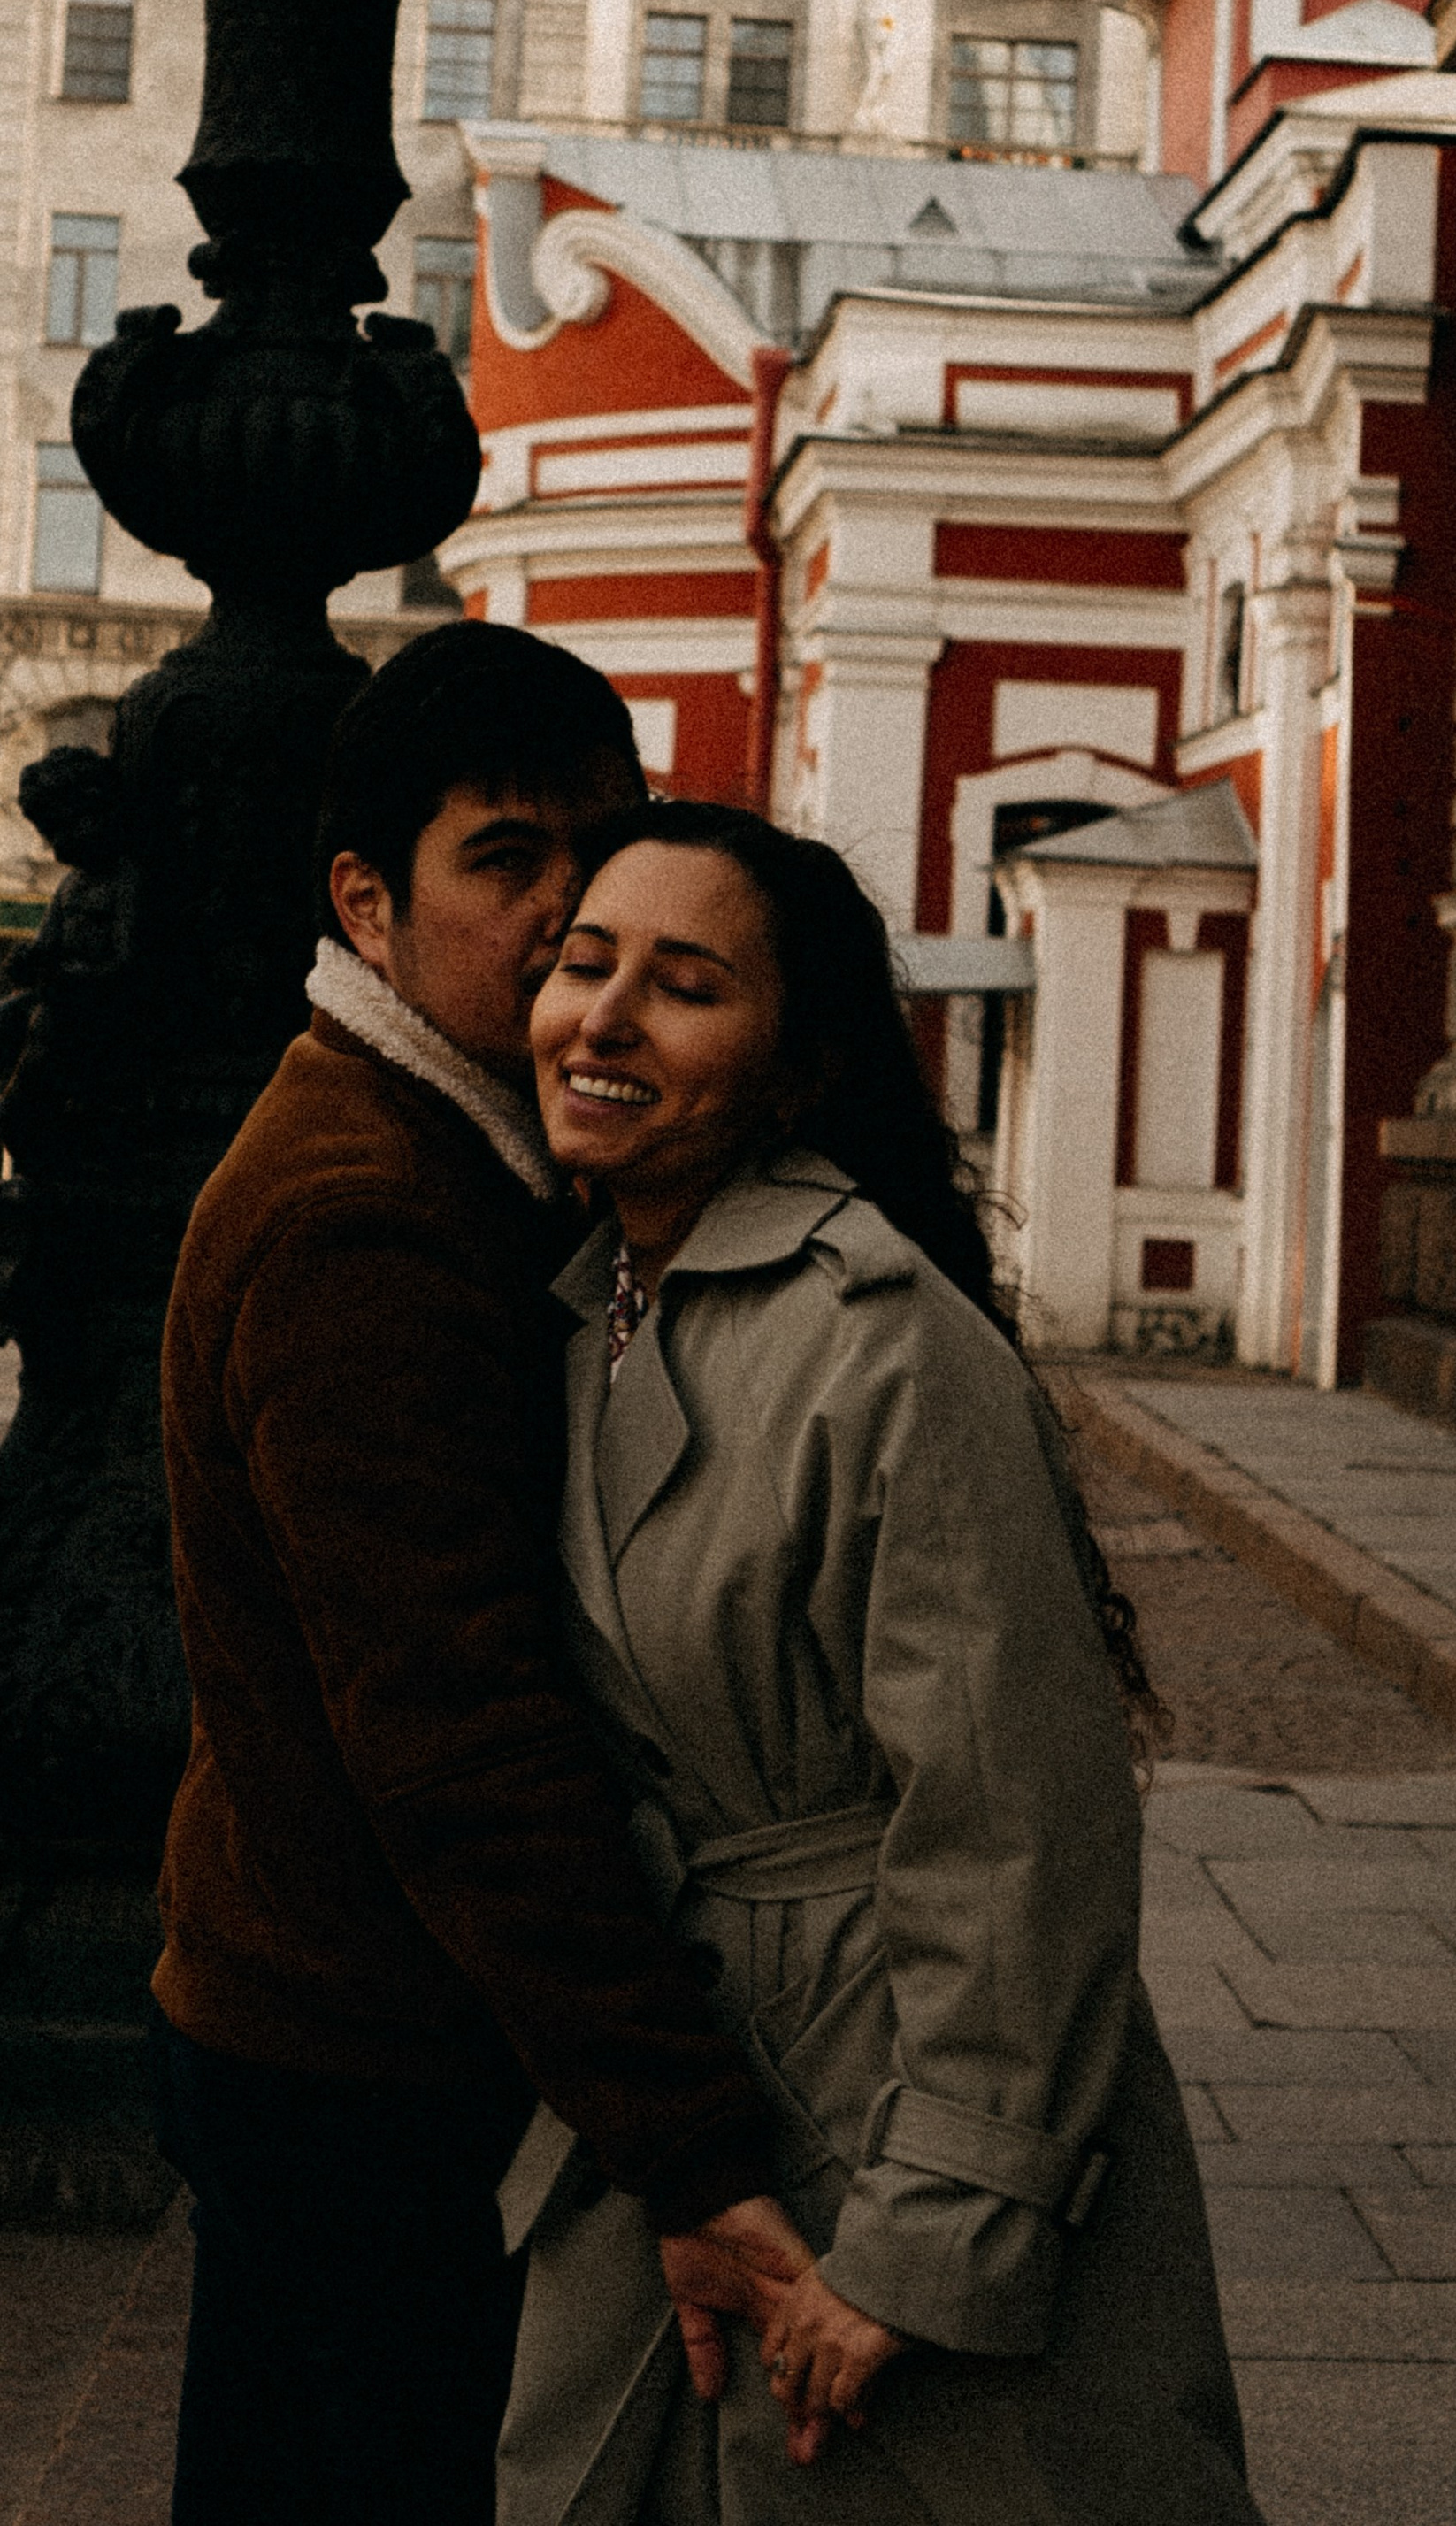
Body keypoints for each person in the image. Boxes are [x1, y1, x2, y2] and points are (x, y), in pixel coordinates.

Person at [501, 802, 1265, 2526]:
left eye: (682, 986)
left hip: (888, 2098)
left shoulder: (879, 1340)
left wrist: (934, 2233)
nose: (604, 1017)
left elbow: (1018, 1823)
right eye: (581, 963)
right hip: (679, 2111)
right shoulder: (580, 1308)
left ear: (789, 1065)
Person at [151, 633, 808, 2526]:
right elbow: (459, 1735)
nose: (558, 918)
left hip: (327, 2015)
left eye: (588, 860)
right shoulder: (365, 1212)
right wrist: (687, 2141)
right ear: (364, 898)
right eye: (501, 860)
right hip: (357, 2062)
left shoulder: (470, 1156)